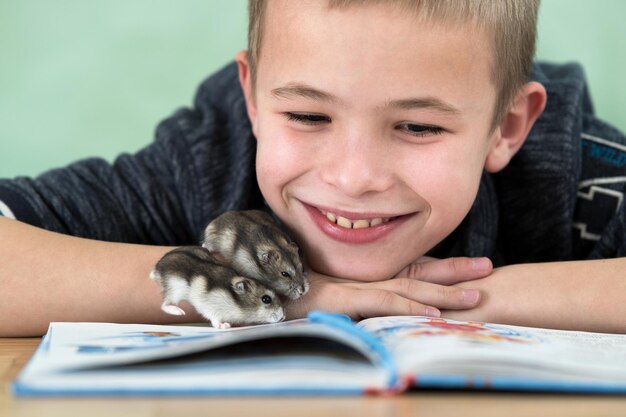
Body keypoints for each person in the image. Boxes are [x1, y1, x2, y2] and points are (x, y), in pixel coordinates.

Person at [1, 0, 625, 337]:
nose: (354, 177)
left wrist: (469, 301)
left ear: (506, 127)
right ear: (252, 98)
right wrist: (261, 299)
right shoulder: (208, 160)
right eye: (306, 116)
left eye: (418, 126)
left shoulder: (578, 174)